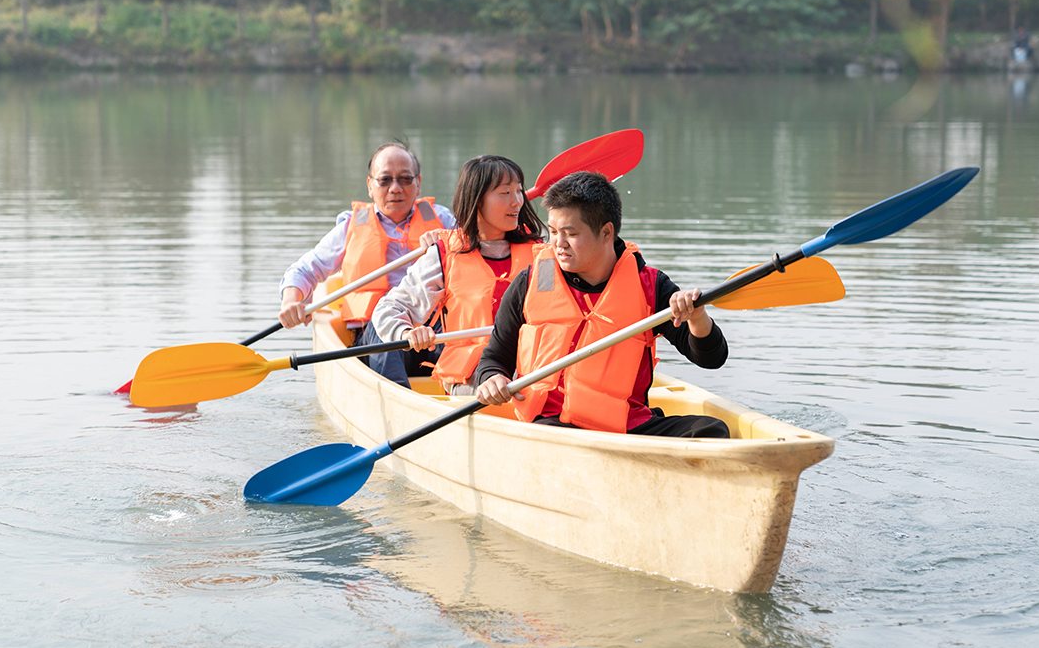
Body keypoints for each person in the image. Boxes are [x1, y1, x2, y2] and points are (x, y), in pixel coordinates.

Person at [473, 171, 731, 438]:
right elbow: (493, 359)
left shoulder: (650, 286)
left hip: (627, 425)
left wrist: (697, 317)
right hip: (550, 425)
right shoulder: (529, 283)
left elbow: (712, 359)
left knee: (712, 429)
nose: (559, 244)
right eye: (552, 232)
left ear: (606, 232)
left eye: (570, 233)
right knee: (557, 437)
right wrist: (492, 379)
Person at [277, 141, 457, 384]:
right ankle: (398, 403)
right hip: (375, 340)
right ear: (370, 186)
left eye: (405, 179)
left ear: (418, 184)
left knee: (465, 327)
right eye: (385, 180)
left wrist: (446, 244)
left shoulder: (442, 221)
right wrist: (291, 301)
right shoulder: (351, 226)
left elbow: (479, 252)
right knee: (385, 319)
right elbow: (303, 270)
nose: (395, 188)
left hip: (434, 333)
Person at [370, 155, 546, 393]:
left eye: (519, 192)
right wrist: (407, 332)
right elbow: (388, 309)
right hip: (470, 376)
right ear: (476, 201)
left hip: (530, 370)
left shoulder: (541, 255)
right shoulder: (443, 256)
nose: (517, 202)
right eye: (505, 193)